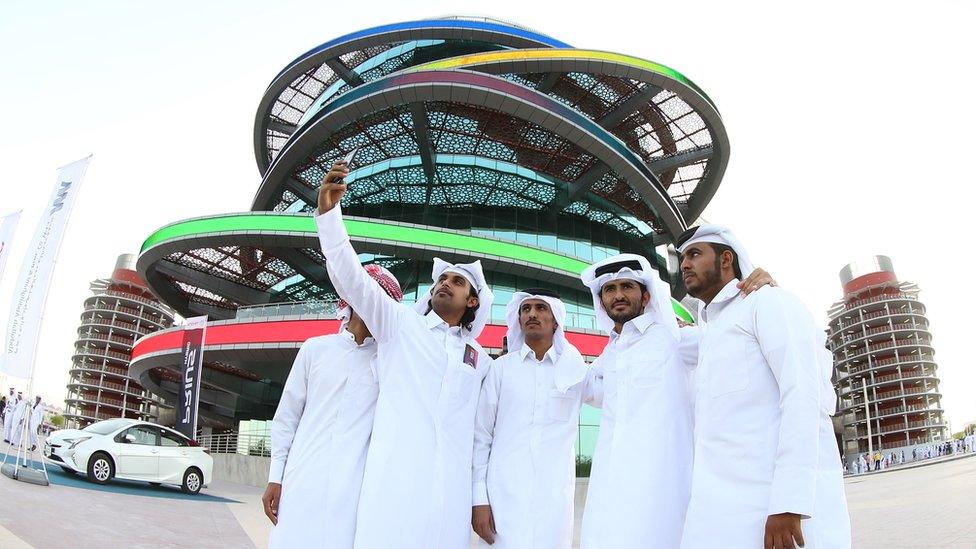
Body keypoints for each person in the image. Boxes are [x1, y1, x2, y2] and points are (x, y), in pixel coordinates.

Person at [316, 160, 494, 548]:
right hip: (393, 488)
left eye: (457, 281)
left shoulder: (481, 360)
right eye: (441, 279)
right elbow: (352, 278)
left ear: (473, 299)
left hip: (450, 496)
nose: (445, 284)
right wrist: (329, 217)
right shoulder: (400, 326)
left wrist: (478, 497)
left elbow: (483, 434)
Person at [676, 225, 851, 549]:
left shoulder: (768, 303)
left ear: (726, 259)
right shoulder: (709, 333)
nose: (685, 264)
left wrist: (789, 501)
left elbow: (803, 396)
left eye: (695, 254)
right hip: (718, 514)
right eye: (683, 257)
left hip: (773, 510)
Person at [262, 265, 403, 548]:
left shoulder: (391, 363)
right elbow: (287, 418)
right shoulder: (315, 349)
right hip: (302, 478)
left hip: (353, 491)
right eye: (365, 292)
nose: (370, 300)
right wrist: (275, 477)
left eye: (378, 297)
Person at [575, 253, 693, 548]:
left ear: (646, 294)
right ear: (601, 302)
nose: (618, 295)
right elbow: (589, 389)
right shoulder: (611, 351)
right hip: (613, 481)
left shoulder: (674, 335)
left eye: (627, 287)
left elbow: (730, 345)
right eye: (610, 290)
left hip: (662, 483)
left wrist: (758, 290)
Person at [471, 288, 599, 548]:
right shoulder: (501, 369)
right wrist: (479, 498)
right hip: (502, 496)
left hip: (554, 500)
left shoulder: (575, 371)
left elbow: (611, 394)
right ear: (518, 320)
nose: (532, 314)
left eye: (541, 308)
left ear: (556, 321)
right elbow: (480, 436)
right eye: (526, 309)